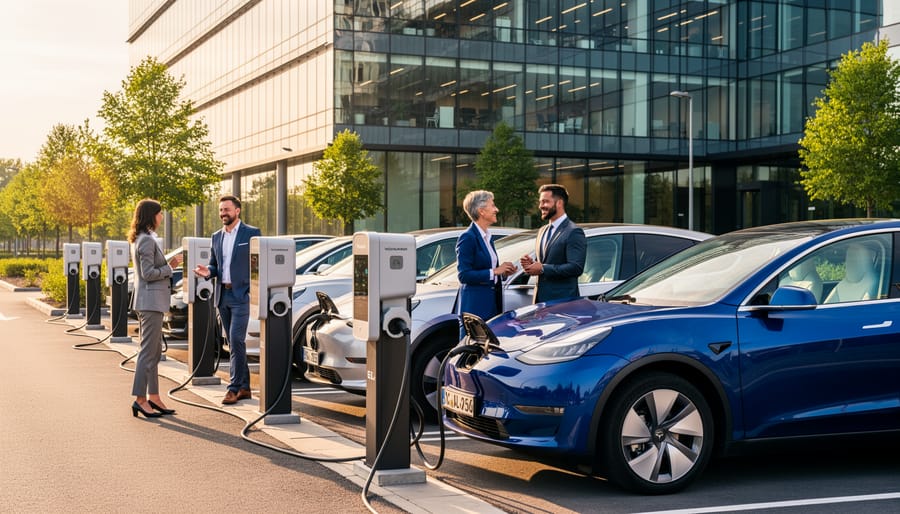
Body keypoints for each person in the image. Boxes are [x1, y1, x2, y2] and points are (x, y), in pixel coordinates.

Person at [193, 195, 261, 405]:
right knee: (233, 344)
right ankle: (245, 388)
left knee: (237, 340)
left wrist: (251, 288)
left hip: (241, 296)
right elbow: (216, 265)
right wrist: (208, 272)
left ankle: (232, 388)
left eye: (227, 210)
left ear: (237, 211)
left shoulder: (251, 234)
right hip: (222, 295)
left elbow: (257, 265)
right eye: (221, 210)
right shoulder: (216, 237)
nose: (223, 213)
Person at [128, 198, 179, 418]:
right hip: (150, 302)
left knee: (155, 351)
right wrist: (170, 268)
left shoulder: (142, 239)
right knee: (148, 352)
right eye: (159, 214)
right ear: (151, 216)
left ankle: (154, 396)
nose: (161, 217)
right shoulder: (147, 241)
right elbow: (148, 274)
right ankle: (140, 399)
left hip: (151, 302)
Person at [456, 190, 516, 328]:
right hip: (475, 309)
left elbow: (488, 272)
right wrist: (494, 271)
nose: (497, 209)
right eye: (493, 205)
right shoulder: (468, 237)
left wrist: (503, 273)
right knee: (472, 348)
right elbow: (464, 275)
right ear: (481, 211)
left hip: (492, 306)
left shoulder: (488, 237)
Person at [520, 184, 586, 303]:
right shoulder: (542, 230)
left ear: (559, 203)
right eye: (540, 202)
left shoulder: (574, 231)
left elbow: (576, 267)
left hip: (562, 303)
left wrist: (543, 268)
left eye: (545, 202)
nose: (541, 206)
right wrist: (531, 265)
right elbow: (544, 263)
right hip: (540, 302)